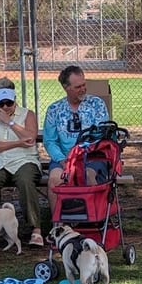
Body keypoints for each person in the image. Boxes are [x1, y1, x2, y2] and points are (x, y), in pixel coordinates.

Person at [0, 77, 44, 248]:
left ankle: (35, 229)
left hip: (24, 160)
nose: (5, 107)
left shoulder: (27, 115)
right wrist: (17, 143)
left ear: (15, 99)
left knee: (26, 180)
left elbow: (30, 138)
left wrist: (11, 122)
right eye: (1, 104)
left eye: (9, 103)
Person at [43, 64, 111, 211]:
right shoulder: (54, 109)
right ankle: (59, 227)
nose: (83, 89)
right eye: (78, 87)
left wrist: (80, 156)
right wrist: (62, 160)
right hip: (63, 159)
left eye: (84, 84)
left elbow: (102, 135)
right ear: (66, 88)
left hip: (93, 157)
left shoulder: (97, 105)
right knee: (55, 180)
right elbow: (50, 141)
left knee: (87, 176)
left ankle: (92, 220)